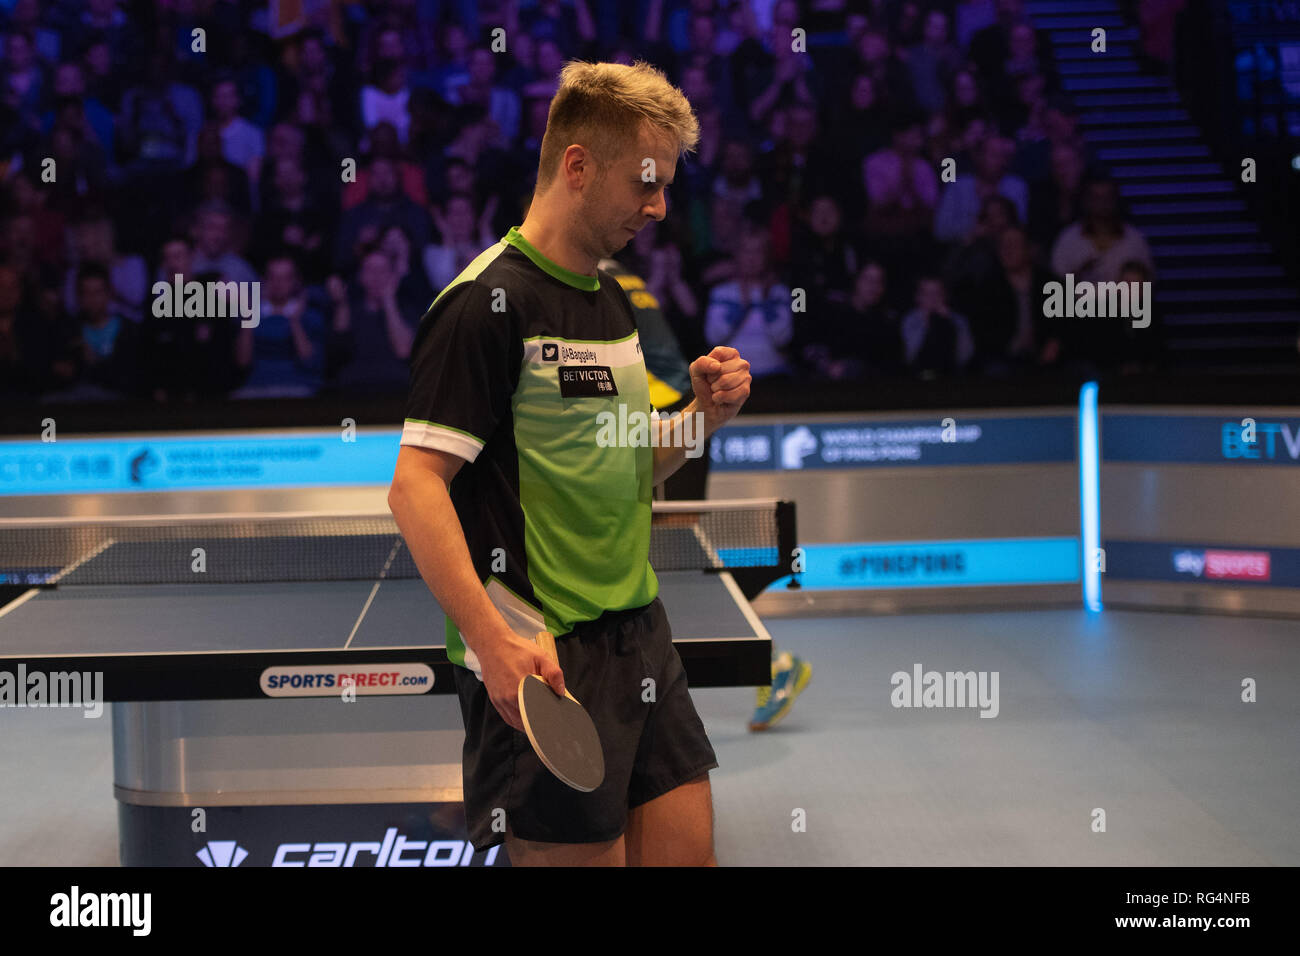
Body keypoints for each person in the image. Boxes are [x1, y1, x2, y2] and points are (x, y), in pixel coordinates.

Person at [388, 61, 751, 867]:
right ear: (578, 166)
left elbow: (628, 469)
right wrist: (492, 643)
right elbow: (414, 488)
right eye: (646, 183)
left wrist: (700, 419)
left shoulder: (610, 298)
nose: (660, 208)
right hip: (546, 656)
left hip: (641, 635)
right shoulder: (485, 307)